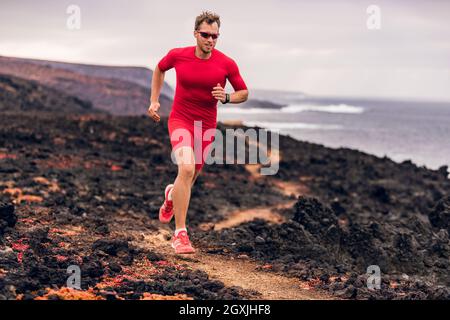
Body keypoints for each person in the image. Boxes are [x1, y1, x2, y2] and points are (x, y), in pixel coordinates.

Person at [147, 11, 249, 254]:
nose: (210, 40)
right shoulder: (178, 55)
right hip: (180, 119)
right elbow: (159, 69)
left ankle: (171, 194)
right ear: (196, 34)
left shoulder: (226, 63)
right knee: (186, 168)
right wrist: (154, 101)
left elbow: (243, 92)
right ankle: (180, 234)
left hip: (206, 126)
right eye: (205, 35)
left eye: (215, 36)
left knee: (189, 179)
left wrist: (226, 97)